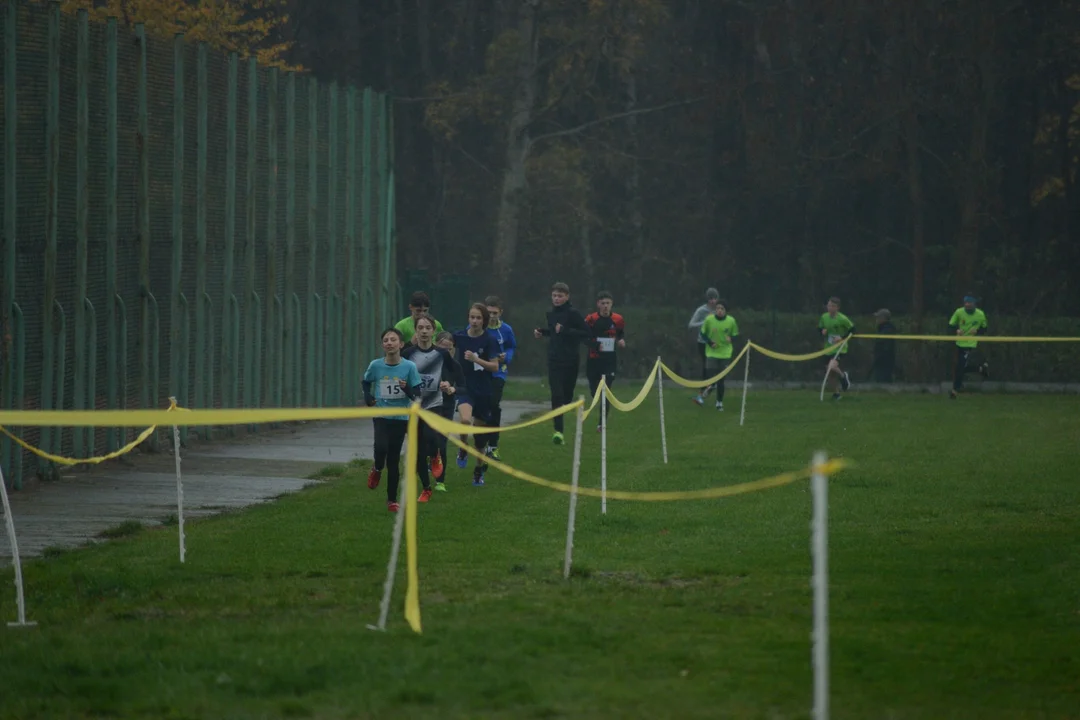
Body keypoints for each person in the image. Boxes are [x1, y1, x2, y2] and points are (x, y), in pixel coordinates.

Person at [362, 328, 427, 512]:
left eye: (393, 340)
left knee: (393, 459)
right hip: (382, 415)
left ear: (400, 344)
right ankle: (376, 468)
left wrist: (406, 389)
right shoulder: (375, 365)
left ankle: (391, 500)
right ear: (383, 345)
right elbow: (366, 382)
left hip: (401, 418)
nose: (389, 343)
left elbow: (417, 395)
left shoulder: (409, 367)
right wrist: (367, 396)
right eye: (385, 340)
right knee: (381, 447)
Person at [402, 315, 463, 493]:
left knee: (432, 438)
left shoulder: (442, 354)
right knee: (418, 447)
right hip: (414, 406)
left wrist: (450, 387)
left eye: (427, 328)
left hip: (435, 404)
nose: (424, 331)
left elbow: (459, 377)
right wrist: (405, 387)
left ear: (433, 331)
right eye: (420, 328)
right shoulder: (408, 354)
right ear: (416, 330)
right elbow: (401, 377)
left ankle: (436, 458)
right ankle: (426, 486)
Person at [533, 281, 589, 445]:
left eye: (560, 296)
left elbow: (586, 333)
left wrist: (565, 330)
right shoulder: (551, 313)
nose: (557, 299)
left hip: (571, 360)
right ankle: (558, 432)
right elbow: (554, 333)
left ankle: (564, 409)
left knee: (566, 397)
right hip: (554, 360)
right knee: (556, 395)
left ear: (567, 297)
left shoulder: (573, 314)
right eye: (554, 296)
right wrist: (543, 332)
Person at [452, 303, 502, 485]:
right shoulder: (459, 336)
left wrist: (476, 359)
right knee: (465, 421)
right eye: (472, 317)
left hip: (484, 390)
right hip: (465, 388)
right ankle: (463, 447)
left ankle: (478, 470)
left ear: (484, 321)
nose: (474, 321)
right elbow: (444, 345)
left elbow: (495, 366)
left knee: (480, 439)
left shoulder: (490, 340)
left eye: (478, 318)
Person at [584, 291, 626, 431]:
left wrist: (621, 341)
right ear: (598, 304)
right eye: (603, 303)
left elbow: (620, 333)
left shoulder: (618, 319)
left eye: (608, 303)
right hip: (593, 360)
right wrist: (595, 345)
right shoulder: (591, 319)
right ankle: (599, 409)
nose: (605, 306)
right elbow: (585, 338)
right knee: (594, 391)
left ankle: (602, 423)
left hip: (609, 361)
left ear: (612, 304)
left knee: (606, 391)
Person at [484, 295, 517, 461]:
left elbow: (512, 347)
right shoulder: (477, 326)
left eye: (494, 313)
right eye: (488, 312)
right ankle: (479, 443)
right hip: (480, 373)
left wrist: (507, 357)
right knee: (481, 409)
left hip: (498, 372)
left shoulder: (506, 330)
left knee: (493, 405)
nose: (491, 316)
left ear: (500, 312)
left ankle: (493, 446)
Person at [692, 299, 739, 410]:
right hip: (711, 353)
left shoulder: (731, 321)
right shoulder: (709, 320)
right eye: (717, 308)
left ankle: (719, 403)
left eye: (722, 309)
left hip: (725, 354)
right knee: (711, 378)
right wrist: (709, 342)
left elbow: (736, 335)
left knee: (721, 380)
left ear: (725, 311)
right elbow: (702, 334)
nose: (719, 311)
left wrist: (731, 338)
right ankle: (702, 396)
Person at [433, 331, 466, 488]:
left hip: (446, 405)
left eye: (449, 348)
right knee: (427, 441)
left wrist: (452, 389)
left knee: (441, 443)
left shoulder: (455, 366)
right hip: (427, 405)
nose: (446, 352)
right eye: (442, 348)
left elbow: (463, 387)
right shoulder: (428, 364)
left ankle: (440, 481)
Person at [948, 294, 989, 399]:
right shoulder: (959, 312)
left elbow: (985, 328)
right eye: (966, 302)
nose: (967, 305)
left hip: (971, 343)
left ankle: (955, 390)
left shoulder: (980, 314)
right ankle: (980, 369)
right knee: (960, 366)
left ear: (974, 303)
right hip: (959, 342)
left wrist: (977, 331)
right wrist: (956, 330)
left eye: (969, 303)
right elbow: (951, 325)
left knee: (960, 366)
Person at [819, 297, 854, 401]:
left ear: (837, 308)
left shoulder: (842, 318)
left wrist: (842, 338)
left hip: (840, 348)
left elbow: (853, 330)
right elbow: (820, 328)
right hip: (828, 348)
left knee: (832, 366)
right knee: (829, 373)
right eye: (829, 305)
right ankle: (836, 394)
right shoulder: (824, 317)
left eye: (833, 306)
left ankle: (843, 377)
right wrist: (822, 331)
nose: (830, 308)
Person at [688, 288, 720, 380]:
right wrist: (704, 322)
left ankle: (712, 384)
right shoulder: (701, 310)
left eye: (715, 298)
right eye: (710, 298)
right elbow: (691, 325)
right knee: (707, 364)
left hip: (717, 341)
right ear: (707, 299)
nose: (713, 301)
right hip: (703, 342)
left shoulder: (719, 309)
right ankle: (705, 387)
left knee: (717, 364)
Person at [870, 308, 897, 383]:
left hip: (884, 360)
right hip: (881, 359)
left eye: (878, 317)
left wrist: (879, 356)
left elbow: (885, 345)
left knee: (884, 380)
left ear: (883, 318)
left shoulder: (888, 329)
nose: (876, 320)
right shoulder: (883, 329)